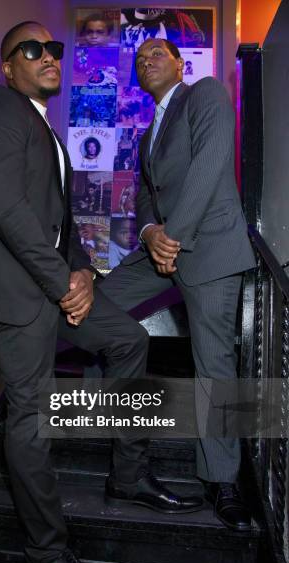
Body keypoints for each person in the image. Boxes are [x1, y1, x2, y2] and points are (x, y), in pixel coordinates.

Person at [0, 21, 201, 563]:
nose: (46, 56)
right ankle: (46, 556)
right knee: (32, 415)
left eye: (52, 49)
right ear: (7, 67)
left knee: (129, 342)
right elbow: (7, 208)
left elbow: (54, 219)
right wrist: (64, 282)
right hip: (14, 292)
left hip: (56, 283)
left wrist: (83, 271)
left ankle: (129, 474)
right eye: (30, 49)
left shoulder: (47, 129)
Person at [95, 38, 256, 531]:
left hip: (208, 246)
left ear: (180, 64)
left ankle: (223, 479)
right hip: (159, 248)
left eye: (156, 55)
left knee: (215, 366)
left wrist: (174, 236)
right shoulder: (148, 134)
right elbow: (146, 195)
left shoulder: (205, 93)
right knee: (93, 305)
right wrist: (150, 234)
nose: (146, 62)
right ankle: (118, 451)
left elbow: (210, 166)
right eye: (140, 60)